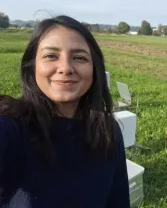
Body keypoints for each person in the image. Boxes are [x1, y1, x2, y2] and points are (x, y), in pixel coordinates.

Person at [0, 15, 130, 208]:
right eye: (51, 56)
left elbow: (117, 201)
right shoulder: (12, 125)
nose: (66, 68)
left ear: (95, 69)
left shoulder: (108, 130)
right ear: (32, 65)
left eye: (79, 58)